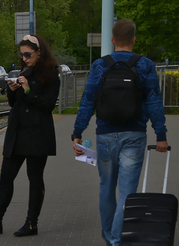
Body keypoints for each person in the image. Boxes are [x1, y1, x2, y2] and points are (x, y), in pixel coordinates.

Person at [71, 18, 169, 246]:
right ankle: (117, 239)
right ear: (134, 40)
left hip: (105, 135)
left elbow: (88, 100)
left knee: (106, 187)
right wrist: (161, 135)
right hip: (134, 135)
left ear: (113, 40)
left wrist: (78, 131)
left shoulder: (99, 65)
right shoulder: (144, 65)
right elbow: (154, 103)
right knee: (128, 192)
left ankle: (110, 237)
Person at [0, 34, 60, 237]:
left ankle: (31, 224)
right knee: (6, 176)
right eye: (21, 55)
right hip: (18, 131)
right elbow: (15, 103)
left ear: (39, 52)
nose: (24, 58)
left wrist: (28, 90)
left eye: (28, 54)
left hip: (38, 132)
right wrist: (12, 91)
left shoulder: (51, 74)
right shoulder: (24, 71)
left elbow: (48, 106)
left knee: (34, 178)